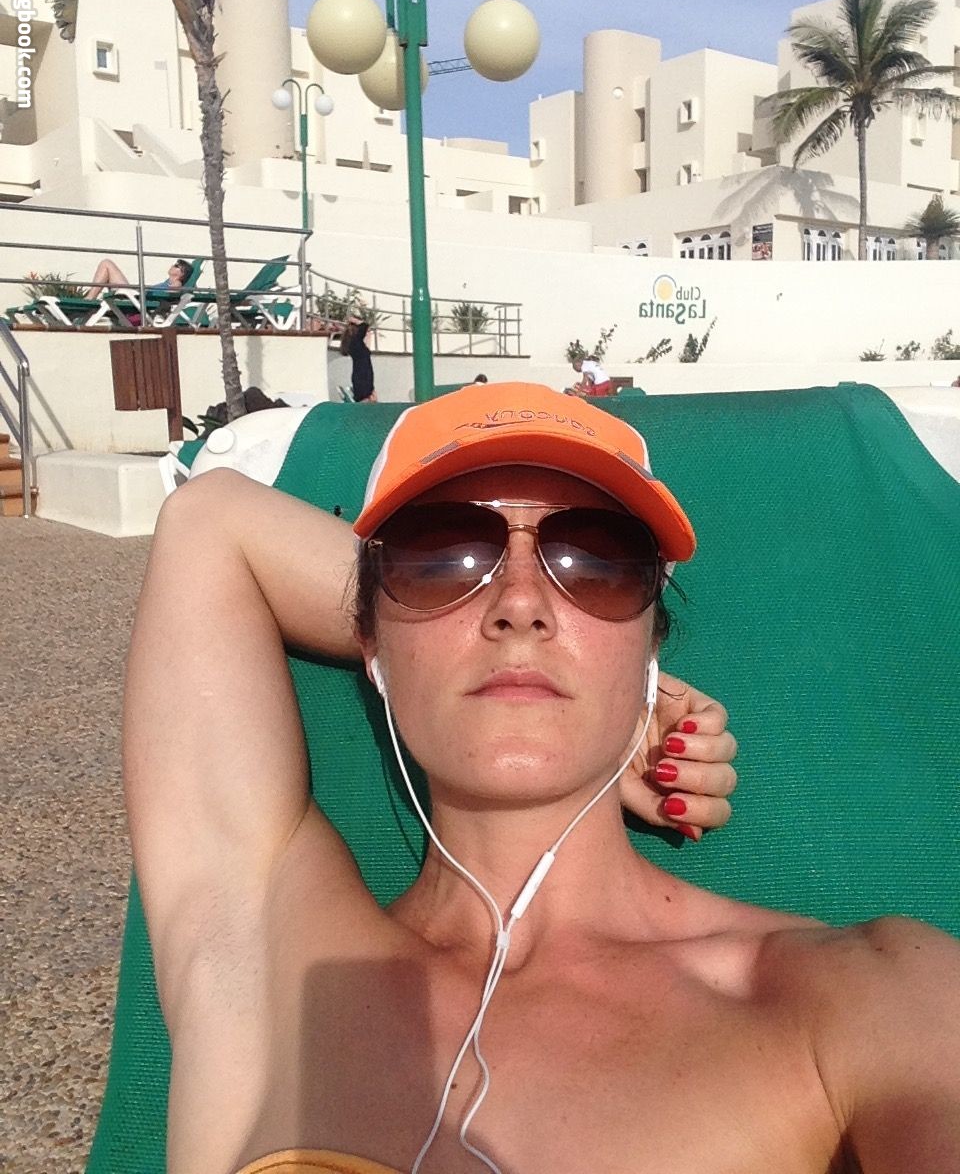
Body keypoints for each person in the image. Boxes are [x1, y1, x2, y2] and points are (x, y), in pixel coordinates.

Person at [124, 382, 959, 1174]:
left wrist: (617, 693)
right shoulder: (267, 956)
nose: (520, 602)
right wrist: (600, 685)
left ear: (652, 642)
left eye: (594, 561)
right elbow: (209, 522)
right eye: (440, 556)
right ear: (368, 642)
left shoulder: (869, 997)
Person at [85, 257, 191, 299]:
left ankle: (89, 299)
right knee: (106, 265)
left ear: (181, 274)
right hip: (136, 295)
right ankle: (90, 298)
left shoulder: (176, 283)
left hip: (136, 298)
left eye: (176, 266)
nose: (172, 266)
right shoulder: (168, 282)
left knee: (107, 263)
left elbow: (172, 294)